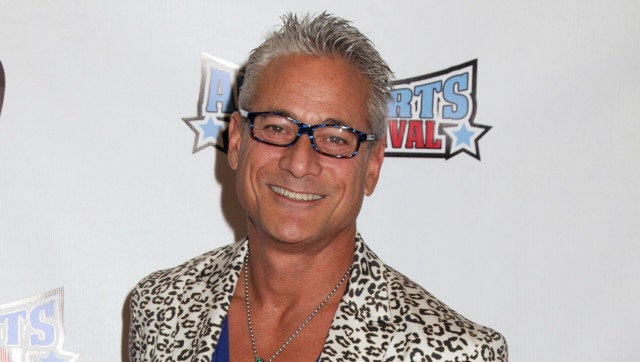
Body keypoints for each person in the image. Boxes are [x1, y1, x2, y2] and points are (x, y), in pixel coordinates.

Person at [129, 12, 508, 362]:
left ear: (372, 166)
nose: (298, 162)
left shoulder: (453, 352)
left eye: (335, 139)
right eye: (277, 127)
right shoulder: (161, 307)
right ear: (238, 142)